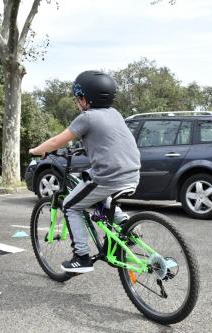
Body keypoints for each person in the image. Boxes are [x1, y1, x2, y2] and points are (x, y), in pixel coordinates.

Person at [29, 70, 141, 273]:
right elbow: (108, 141)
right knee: (98, 198)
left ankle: (81, 257)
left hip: (108, 177)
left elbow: (56, 141)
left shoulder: (86, 118)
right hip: (132, 175)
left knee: (71, 205)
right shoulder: (115, 114)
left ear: (85, 98)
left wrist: (36, 151)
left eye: (77, 97)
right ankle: (127, 225)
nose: (77, 102)